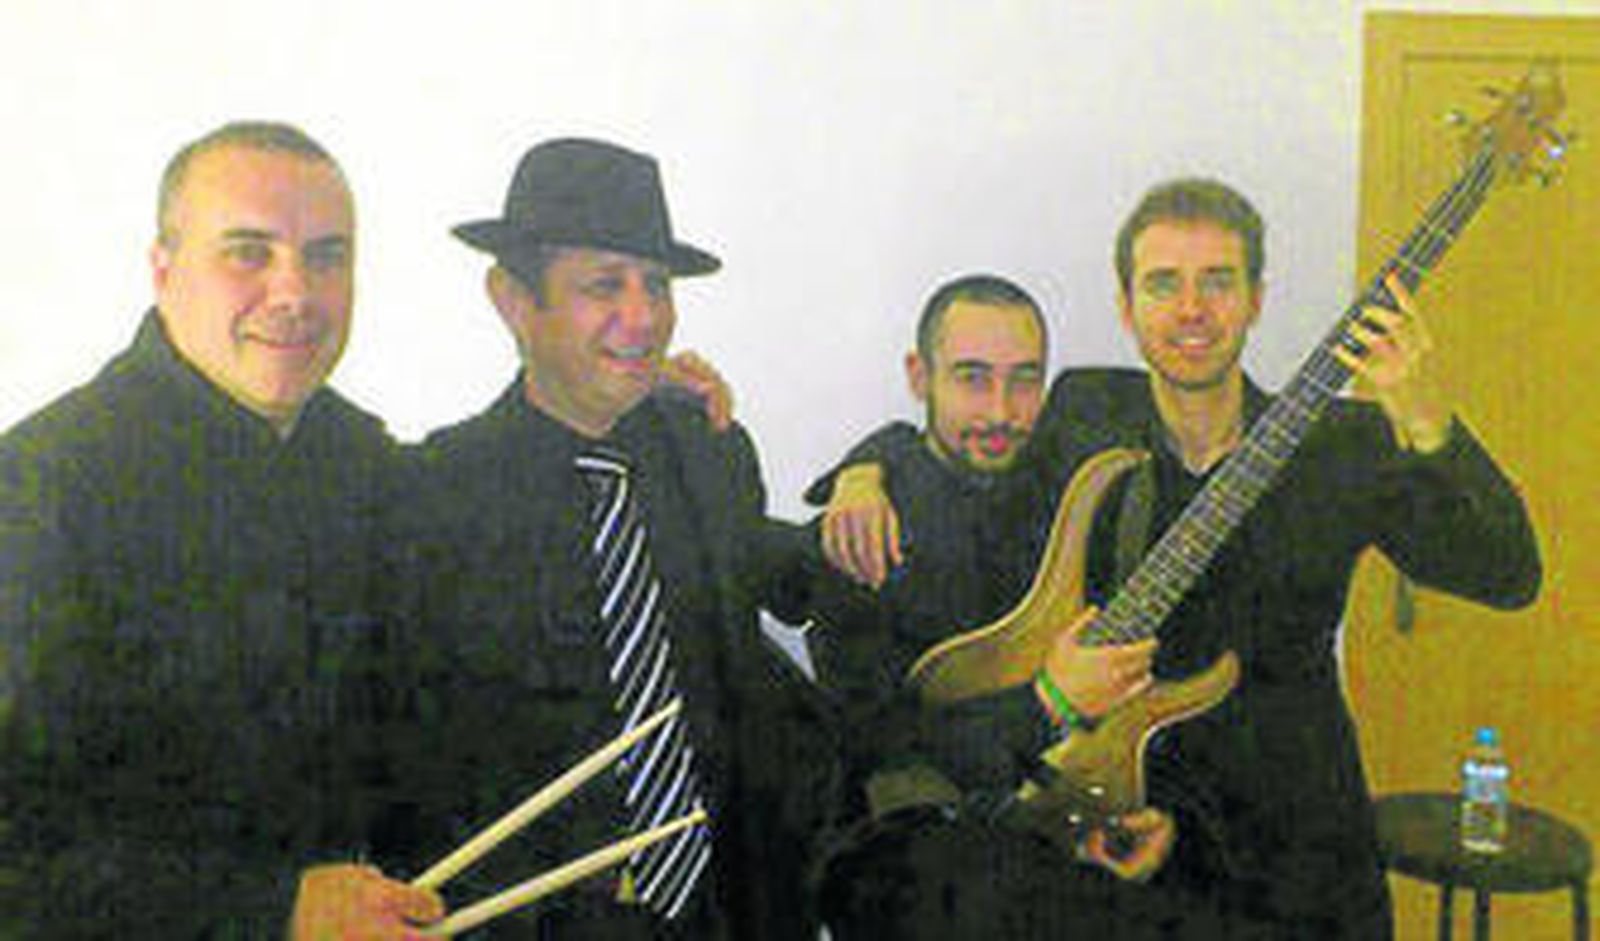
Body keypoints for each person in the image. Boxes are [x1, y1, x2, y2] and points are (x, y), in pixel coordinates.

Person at [824, 179, 1541, 937]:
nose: (1192, 309)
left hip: (1292, 825)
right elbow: (971, 444)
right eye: (1164, 283)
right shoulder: (1086, 410)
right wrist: (864, 469)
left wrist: (1425, 416)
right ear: (1127, 306)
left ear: (1256, 299)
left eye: (1219, 282)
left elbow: (1506, 573)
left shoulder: (1342, 444)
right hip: (1124, 817)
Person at [0, 121, 444, 938]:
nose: (295, 293)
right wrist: (273, 909)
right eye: (248, 252)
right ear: (163, 270)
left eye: (327, 256)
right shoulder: (39, 486)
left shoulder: (363, 462)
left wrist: (624, 396)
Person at [392, 138, 831, 939]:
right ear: (512, 300)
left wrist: (872, 473)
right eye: (604, 285)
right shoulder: (434, 496)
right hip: (543, 919)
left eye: (656, 284)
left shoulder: (710, 450)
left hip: (733, 904)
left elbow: (764, 622)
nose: (645, 316)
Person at [800, 274, 1174, 940]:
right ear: (919, 377)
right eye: (972, 378)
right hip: (904, 849)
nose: (1002, 411)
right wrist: (1048, 700)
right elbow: (875, 742)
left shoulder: (1066, 477)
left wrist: (1104, 815)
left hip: (1045, 825)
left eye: (1025, 379)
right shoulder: (861, 533)